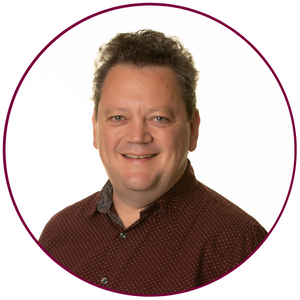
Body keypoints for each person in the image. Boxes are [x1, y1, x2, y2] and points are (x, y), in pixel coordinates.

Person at [39, 29, 267, 295]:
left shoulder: (238, 246)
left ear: (192, 129)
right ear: (96, 129)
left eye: (159, 118)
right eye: (118, 118)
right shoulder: (58, 234)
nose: (138, 136)